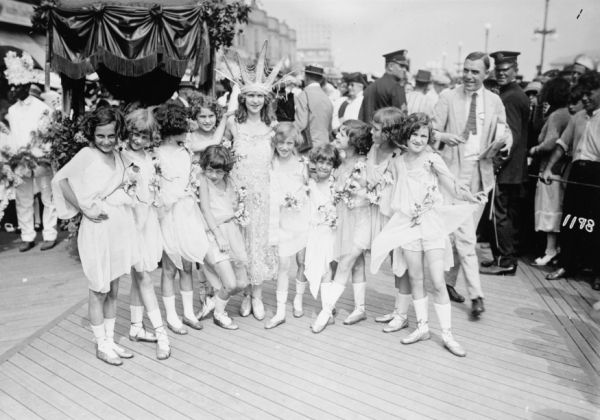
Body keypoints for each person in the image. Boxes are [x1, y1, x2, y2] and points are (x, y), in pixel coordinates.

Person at [370, 113, 487, 357]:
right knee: (415, 278)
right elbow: (387, 186)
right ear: (406, 135)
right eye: (414, 134)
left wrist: (468, 195)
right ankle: (422, 326)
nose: (419, 139)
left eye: (424, 135)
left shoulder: (432, 159)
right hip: (409, 224)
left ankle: (447, 334)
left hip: (430, 223)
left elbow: (451, 185)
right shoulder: (398, 161)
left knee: (436, 280)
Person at [52, 107, 138, 366]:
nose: (106, 141)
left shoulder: (121, 157)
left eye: (111, 136)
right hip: (98, 227)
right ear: (92, 134)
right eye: (101, 136)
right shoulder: (86, 154)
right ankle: (101, 343)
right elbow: (61, 180)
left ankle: (111, 340)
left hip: (118, 226)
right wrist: (83, 208)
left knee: (113, 286)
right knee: (99, 287)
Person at [433, 51, 512, 317]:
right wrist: (443, 135)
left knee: (464, 236)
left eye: (475, 72)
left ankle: (448, 283)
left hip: (480, 176)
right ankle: (477, 295)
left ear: (486, 74)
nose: (468, 76)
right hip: (451, 177)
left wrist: (504, 144)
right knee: (463, 237)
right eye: (466, 70)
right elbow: (430, 131)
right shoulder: (447, 97)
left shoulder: (495, 101)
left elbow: (505, 131)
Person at [222, 41, 281, 320]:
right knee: (241, 245)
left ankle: (256, 296)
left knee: (258, 243)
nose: (255, 101)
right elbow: (220, 156)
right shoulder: (233, 124)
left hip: (263, 195)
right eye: (250, 96)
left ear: (266, 99)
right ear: (242, 98)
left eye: (260, 96)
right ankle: (244, 292)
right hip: (238, 194)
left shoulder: (273, 127)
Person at [311, 119, 373, 333]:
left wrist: (358, 194)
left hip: (361, 220)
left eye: (342, 134)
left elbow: (373, 190)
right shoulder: (339, 161)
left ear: (354, 141)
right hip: (340, 218)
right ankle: (360, 307)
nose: (336, 135)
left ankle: (325, 312)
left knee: (347, 261)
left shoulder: (364, 164)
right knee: (350, 262)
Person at [542, 71, 600, 291]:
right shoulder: (577, 118)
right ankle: (567, 265)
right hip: (577, 171)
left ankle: (597, 271)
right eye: (582, 94)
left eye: (589, 94)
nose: (584, 98)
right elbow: (561, 145)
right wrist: (548, 169)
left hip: (597, 174)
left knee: (595, 224)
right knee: (571, 220)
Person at [154, 102, 209, 334]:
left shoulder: (184, 151)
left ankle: (187, 312)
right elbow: (161, 189)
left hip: (186, 212)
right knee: (169, 267)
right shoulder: (157, 155)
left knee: (187, 264)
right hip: (168, 213)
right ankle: (171, 316)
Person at [121, 108, 171, 360]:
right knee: (143, 277)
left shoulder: (152, 157)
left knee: (140, 275)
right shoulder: (121, 156)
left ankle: (136, 326)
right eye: (133, 134)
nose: (137, 140)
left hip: (148, 219)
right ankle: (162, 334)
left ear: (150, 137)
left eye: (142, 136)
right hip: (129, 221)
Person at [480, 51, 530, 275]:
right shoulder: (514, 94)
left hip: (505, 167)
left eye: (505, 70)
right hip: (513, 168)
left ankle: (505, 260)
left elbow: (510, 136)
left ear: (515, 70)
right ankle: (502, 256)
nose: (500, 74)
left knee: (498, 214)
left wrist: (496, 165)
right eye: (498, 70)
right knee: (504, 214)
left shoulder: (509, 98)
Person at [4, 51, 57, 252]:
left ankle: (50, 233)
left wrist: (41, 154)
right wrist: (12, 157)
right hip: (19, 161)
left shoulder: (42, 108)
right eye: (13, 86)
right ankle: (27, 235)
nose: (15, 90)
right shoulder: (12, 111)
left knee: (47, 195)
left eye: (18, 86)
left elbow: (47, 134)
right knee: (23, 198)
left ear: (27, 86)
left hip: (40, 159)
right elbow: (12, 135)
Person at [366, 107, 411, 333]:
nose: (372, 132)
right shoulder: (374, 148)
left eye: (376, 129)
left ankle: (402, 314)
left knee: (401, 263)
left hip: (396, 216)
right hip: (377, 213)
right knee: (394, 265)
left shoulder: (400, 156)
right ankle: (397, 309)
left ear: (389, 132)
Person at [196, 145, 249, 330]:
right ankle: (219, 313)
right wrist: (219, 236)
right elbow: (206, 210)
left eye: (218, 171)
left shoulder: (230, 180)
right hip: (213, 233)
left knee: (242, 283)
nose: (213, 175)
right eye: (210, 170)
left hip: (232, 231)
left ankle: (214, 300)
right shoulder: (203, 179)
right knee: (230, 283)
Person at [266, 123, 310, 329]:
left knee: (302, 261)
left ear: (295, 143)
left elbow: (309, 188)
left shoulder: (302, 163)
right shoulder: (270, 163)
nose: (284, 147)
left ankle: (299, 298)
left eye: (289, 143)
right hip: (279, 220)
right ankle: (281, 309)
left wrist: (299, 199)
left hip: (300, 218)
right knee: (283, 264)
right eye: (280, 142)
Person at [529, 78, 571, 266]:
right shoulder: (568, 113)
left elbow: (550, 141)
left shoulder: (556, 116)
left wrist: (535, 149)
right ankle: (554, 250)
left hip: (550, 170)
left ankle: (550, 250)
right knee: (557, 210)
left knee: (549, 211)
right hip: (562, 170)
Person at [304, 144, 341, 309]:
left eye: (328, 163)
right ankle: (328, 305)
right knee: (320, 268)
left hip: (331, 230)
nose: (324, 167)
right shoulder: (310, 184)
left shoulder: (335, 186)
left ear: (333, 166)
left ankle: (327, 307)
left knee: (329, 268)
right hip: (314, 231)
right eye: (320, 162)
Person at [359, 49, 409, 123]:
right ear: (391, 66)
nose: (404, 70)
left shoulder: (371, 87)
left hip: (371, 131)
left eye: (405, 67)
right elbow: (402, 117)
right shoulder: (396, 87)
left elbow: (362, 116)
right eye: (401, 66)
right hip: (388, 132)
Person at [294, 65, 334, 152]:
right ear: (320, 79)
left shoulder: (304, 94)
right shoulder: (327, 98)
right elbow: (329, 128)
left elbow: (301, 124)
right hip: (325, 148)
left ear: (306, 77)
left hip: (308, 148)